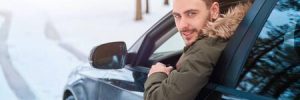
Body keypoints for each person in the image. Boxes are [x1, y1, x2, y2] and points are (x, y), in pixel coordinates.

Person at [144, 0, 252, 99]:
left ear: (214, 11)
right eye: (177, 16)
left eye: (191, 14)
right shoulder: (231, 37)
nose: (182, 26)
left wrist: (157, 75)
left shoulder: (205, 49)